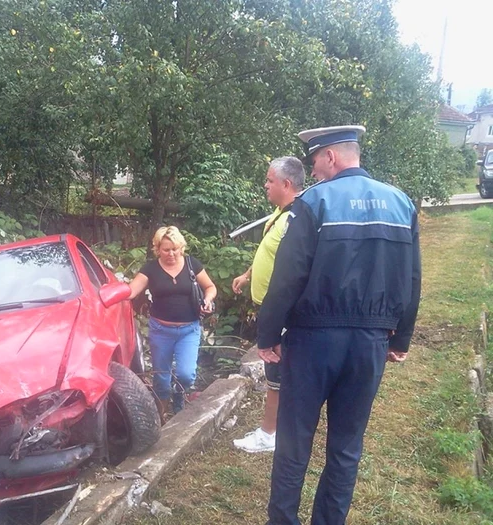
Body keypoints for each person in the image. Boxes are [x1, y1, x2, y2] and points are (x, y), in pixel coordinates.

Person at [256, 125, 421, 525]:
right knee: (347, 447)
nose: (312, 172)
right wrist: (401, 337)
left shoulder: (314, 203)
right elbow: (412, 277)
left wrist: (267, 335)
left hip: (314, 340)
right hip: (370, 344)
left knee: (294, 442)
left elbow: (288, 276)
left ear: (330, 156)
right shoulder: (401, 203)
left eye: (314, 162)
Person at [231, 156, 305, 454]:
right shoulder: (281, 212)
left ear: (286, 184)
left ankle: (269, 434)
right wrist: (249, 274)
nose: (265, 185)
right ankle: (279, 428)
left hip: (282, 309)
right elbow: (271, 254)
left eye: (269, 180)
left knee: (274, 372)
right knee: (279, 370)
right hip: (270, 305)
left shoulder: (297, 220)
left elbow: (294, 269)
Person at [128, 226, 217, 415]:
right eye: (166, 249)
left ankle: (179, 394)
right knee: (161, 379)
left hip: (189, 330)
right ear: (157, 249)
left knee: (186, 375)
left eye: (174, 249)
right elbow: (132, 290)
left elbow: (210, 287)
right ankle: (161, 417)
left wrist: (208, 299)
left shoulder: (192, 264)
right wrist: (113, 292)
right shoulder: (150, 269)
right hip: (161, 331)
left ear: (181, 247)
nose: (171, 253)